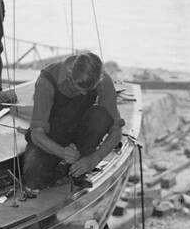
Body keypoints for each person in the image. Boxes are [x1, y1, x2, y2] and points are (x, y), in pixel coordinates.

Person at [21, 51, 124, 190]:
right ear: (70, 73)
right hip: (51, 135)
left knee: (100, 117)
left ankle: (76, 166)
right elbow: (37, 134)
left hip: (80, 134)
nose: (84, 94)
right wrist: (62, 152)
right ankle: (65, 169)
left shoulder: (103, 80)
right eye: (78, 88)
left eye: (89, 90)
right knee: (33, 180)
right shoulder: (47, 80)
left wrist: (94, 159)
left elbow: (116, 131)